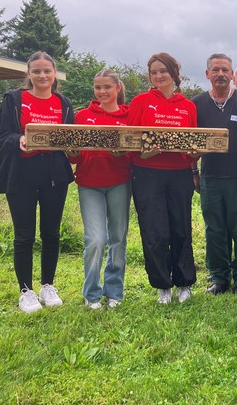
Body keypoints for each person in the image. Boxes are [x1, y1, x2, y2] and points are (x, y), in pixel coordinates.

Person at [0, 51, 75, 313]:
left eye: (46, 71)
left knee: (51, 233)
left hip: (54, 176)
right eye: (36, 71)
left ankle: (48, 285)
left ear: (54, 74)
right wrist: (19, 141)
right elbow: (1, 137)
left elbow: (71, 140)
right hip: (21, 174)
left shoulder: (64, 103)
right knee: (24, 235)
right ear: (29, 74)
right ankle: (26, 290)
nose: (42, 75)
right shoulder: (14, 100)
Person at [128, 52, 198, 304]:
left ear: (174, 73)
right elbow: (129, 140)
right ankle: (162, 286)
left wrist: (195, 155)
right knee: (155, 231)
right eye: (153, 72)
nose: (158, 76)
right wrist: (143, 154)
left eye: (162, 71)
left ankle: (184, 283)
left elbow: (195, 143)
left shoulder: (188, 106)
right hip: (147, 174)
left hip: (179, 174)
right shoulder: (141, 102)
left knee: (181, 228)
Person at [192, 54, 237, 296]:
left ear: (231, 75)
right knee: (214, 229)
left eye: (225, 70)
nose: (220, 74)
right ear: (207, 74)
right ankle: (219, 277)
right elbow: (191, 141)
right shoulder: (197, 103)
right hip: (209, 176)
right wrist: (193, 170)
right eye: (215, 70)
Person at [70, 69, 132, 309]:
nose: (102, 92)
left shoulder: (129, 117)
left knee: (118, 238)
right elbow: (74, 156)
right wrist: (72, 152)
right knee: (95, 239)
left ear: (118, 88)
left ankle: (114, 291)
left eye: (107, 87)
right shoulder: (83, 115)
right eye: (98, 87)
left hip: (119, 182)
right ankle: (92, 293)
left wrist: (122, 153)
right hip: (89, 184)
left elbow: (134, 152)